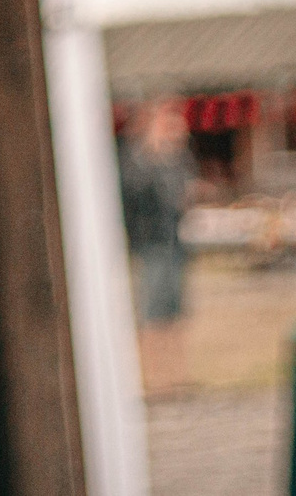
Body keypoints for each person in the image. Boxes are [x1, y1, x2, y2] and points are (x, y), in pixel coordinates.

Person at [119, 99, 196, 396]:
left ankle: (177, 376)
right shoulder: (137, 160)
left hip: (175, 243)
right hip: (150, 245)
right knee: (151, 313)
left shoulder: (179, 161)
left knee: (175, 313)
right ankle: (153, 379)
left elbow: (182, 194)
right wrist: (153, 153)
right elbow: (131, 195)